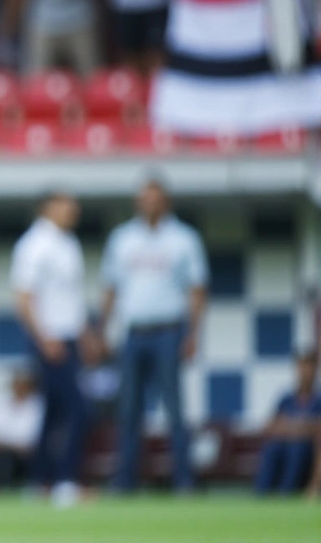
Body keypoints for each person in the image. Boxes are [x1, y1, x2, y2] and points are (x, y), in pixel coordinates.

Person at [100, 178, 208, 493]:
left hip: (169, 331)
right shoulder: (122, 239)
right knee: (129, 410)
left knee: (175, 410)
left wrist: (193, 333)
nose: (150, 203)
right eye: (145, 198)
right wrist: (103, 328)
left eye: (156, 198)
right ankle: (125, 481)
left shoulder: (184, 239)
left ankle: (183, 480)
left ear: (167, 201)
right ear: (137, 201)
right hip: (133, 333)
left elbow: (198, 289)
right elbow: (110, 288)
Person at [11, 191, 92, 508]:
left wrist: (85, 336)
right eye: (66, 205)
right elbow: (23, 297)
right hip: (50, 339)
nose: (73, 210)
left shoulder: (69, 244)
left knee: (55, 411)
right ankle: (65, 481)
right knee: (77, 409)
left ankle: (39, 481)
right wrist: (44, 338)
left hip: (69, 336)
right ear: (47, 208)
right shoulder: (34, 245)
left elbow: (72, 298)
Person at [257, 351, 321, 495]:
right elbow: (270, 426)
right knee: (271, 449)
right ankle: (261, 495)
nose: (304, 372)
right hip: (284, 445)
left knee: (297, 449)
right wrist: (302, 427)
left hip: (308, 452)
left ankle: (285, 495)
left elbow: (318, 429)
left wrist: (290, 426)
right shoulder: (286, 399)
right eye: (301, 367)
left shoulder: (319, 400)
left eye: (308, 367)